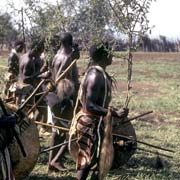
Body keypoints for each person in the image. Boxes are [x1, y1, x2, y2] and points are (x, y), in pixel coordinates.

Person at [69, 42, 129, 180]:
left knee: (98, 160)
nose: (111, 55)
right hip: (89, 123)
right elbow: (89, 105)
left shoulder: (100, 73)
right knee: (86, 163)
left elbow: (97, 103)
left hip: (96, 122)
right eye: (109, 52)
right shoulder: (95, 76)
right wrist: (113, 113)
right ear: (103, 55)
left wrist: (113, 111)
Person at [46, 32, 80, 172]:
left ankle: (51, 162)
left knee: (57, 130)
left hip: (53, 98)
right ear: (70, 43)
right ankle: (56, 160)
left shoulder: (56, 56)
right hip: (62, 99)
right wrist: (70, 99)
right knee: (71, 130)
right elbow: (62, 82)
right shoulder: (67, 58)